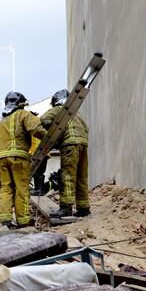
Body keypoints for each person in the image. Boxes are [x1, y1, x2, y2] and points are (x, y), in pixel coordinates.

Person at [0, 91, 47, 227]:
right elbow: (37, 130)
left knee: (6, 188)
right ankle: (23, 220)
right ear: (21, 104)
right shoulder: (23, 115)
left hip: (1, 158)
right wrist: (51, 138)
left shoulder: (1, 122)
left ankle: (5, 218)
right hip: (18, 157)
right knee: (21, 188)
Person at [40, 89, 90, 217]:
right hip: (83, 144)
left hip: (70, 144)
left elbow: (44, 119)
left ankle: (66, 207)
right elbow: (86, 128)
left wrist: (53, 135)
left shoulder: (59, 109)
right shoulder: (77, 114)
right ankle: (83, 208)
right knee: (81, 177)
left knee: (67, 175)